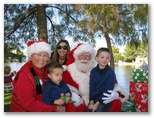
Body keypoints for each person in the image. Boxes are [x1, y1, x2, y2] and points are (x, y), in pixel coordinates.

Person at [62, 43, 128, 112]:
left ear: (92, 57)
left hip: (103, 98)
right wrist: (90, 101)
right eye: (81, 55)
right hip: (86, 100)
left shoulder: (105, 70)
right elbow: (92, 87)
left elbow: (112, 85)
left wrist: (116, 94)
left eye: (87, 55)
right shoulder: (70, 70)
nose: (84, 58)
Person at [10, 40, 65, 112]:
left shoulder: (46, 70)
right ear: (31, 55)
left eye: (45, 55)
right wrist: (54, 108)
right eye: (38, 54)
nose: (41, 58)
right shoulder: (24, 75)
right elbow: (28, 104)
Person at [88, 47, 116, 112]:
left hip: (105, 99)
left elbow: (108, 89)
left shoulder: (111, 73)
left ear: (109, 59)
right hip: (95, 98)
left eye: (107, 58)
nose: (104, 60)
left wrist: (97, 103)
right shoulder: (93, 71)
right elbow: (92, 86)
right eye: (102, 57)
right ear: (97, 58)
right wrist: (91, 101)